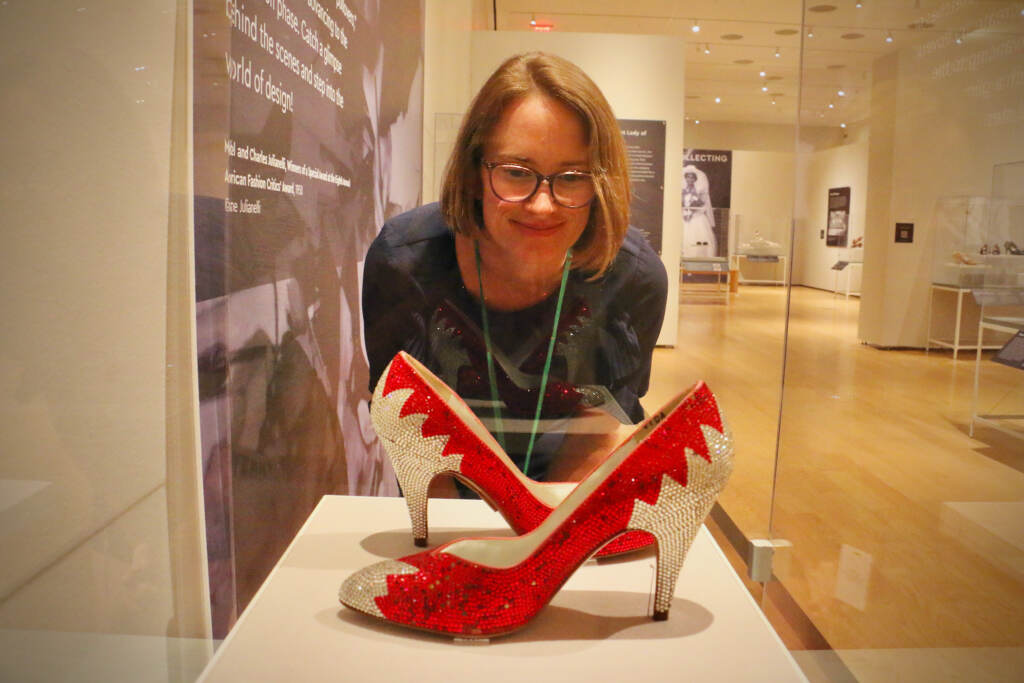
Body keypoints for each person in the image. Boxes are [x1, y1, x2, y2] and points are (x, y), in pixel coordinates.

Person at [362, 52, 667, 487]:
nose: (543, 205)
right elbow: (409, 423)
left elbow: (596, 430)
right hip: (442, 475)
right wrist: (460, 540)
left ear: (601, 182)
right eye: (516, 172)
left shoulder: (633, 277)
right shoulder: (404, 262)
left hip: (565, 485)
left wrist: (543, 535)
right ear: (472, 173)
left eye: (573, 176)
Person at [681, 164, 717, 258]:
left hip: (696, 216)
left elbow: (703, 203)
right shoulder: (682, 190)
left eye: (692, 177)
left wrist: (694, 208)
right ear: (685, 178)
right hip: (684, 216)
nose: (690, 179)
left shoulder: (699, 191)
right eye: (688, 177)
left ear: (695, 179)